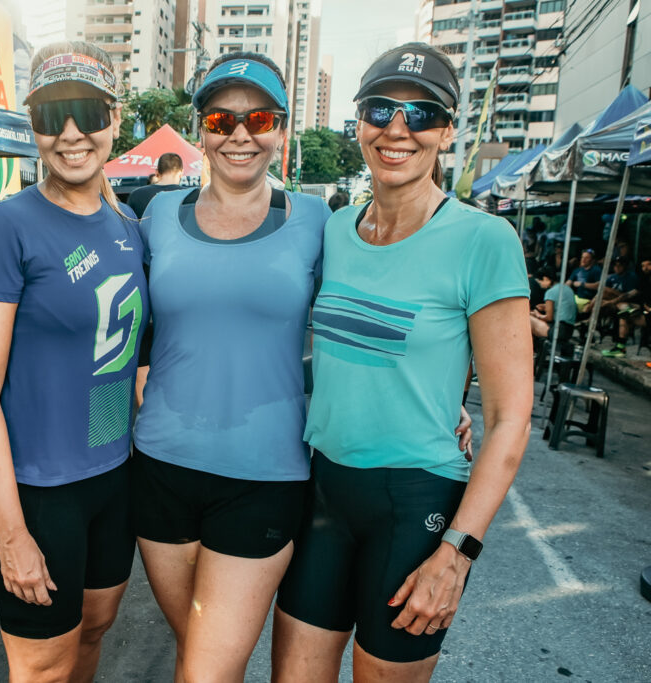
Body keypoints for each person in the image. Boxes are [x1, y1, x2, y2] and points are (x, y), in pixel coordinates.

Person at [273, 42, 532, 682]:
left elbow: (510, 417)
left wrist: (458, 552)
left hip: (417, 503)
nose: (397, 129)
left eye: (421, 115)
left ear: (446, 132)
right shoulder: (335, 230)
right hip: (323, 489)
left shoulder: (484, 239)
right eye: (380, 109)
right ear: (359, 121)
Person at [130, 51, 330, 681]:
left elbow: (365, 314)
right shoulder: (157, 216)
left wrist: (443, 397)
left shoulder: (316, 221)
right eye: (221, 119)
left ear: (281, 131)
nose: (240, 134)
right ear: (201, 131)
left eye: (259, 118)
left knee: (206, 670)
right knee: (197, 653)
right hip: (160, 467)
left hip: (264, 474)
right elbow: (120, 317)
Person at [0, 41, 147, 682]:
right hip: (38, 492)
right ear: (32, 125)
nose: (70, 134)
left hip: (113, 478)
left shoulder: (127, 224)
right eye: (49, 115)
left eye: (87, 113)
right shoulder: (4, 227)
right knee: (42, 668)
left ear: (114, 120)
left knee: (93, 632)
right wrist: (11, 532)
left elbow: (134, 356)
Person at [603, 258, 651, 358]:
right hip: (646, 312)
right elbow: (630, 294)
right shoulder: (644, 280)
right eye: (643, 266)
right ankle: (620, 348)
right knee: (624, 314)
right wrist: (611, 302)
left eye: (648, 265)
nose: (645, 268)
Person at [126, 152, 185, 217]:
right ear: (181, 172)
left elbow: (128, 221)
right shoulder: (190, 195)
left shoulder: (136, 195)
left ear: (157, 172)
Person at [530, 268, 578, 342]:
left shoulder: (550, 292)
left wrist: (537, 315)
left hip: (558, 330)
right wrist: (546, 307)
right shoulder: (567, 288)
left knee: (529, 319)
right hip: (569, 330)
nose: (540, 285)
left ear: (545, 279)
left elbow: (549, 318)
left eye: (540, 282)